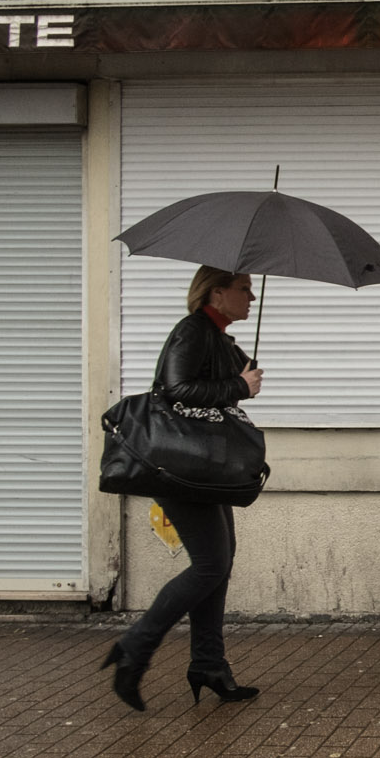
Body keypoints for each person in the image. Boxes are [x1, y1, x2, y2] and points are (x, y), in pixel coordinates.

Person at [103, 266, 266, 711]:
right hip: (179, 467)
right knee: (211, 565)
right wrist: (236, 385)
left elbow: (208, 391)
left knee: (219, 562)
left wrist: (239, 375)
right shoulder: (192, 331)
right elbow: (174, 391)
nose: (251, 298)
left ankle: (209, 665)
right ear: (217, 293)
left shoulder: (217, 336)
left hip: (205, 468)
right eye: (244, 289)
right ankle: (134, 650)